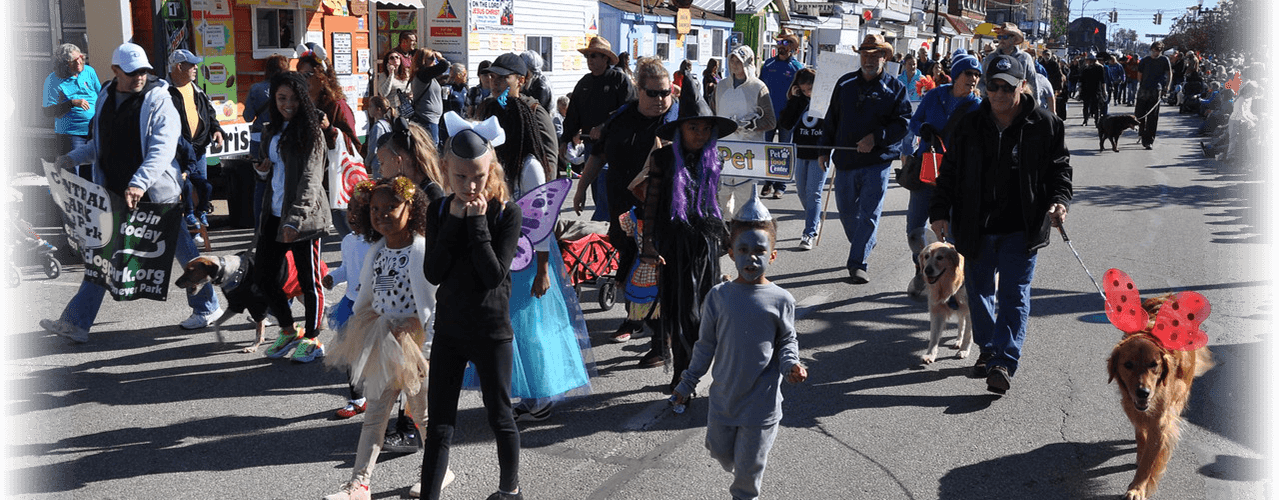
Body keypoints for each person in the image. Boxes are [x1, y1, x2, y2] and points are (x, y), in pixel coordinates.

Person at [40, 42, 223, 343]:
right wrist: (74, 157)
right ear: (115, 71)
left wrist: (139, 182)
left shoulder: (159, 97)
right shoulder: (105, 96)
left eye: (143, 71)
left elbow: (162, 149)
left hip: (156, 194)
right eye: (132, 72)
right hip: (114, 192)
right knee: (102, 256)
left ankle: (207, 307)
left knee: (185, 253)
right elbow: (101, 143)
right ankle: (76, 324)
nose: (139, 77)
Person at [928, 54, 1072, 394]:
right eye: (992, 86)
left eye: (1006, 87)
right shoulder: (969, 123)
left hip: (1022, 226)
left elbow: (1060, 170)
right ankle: (989, 350)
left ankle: (1004, 360)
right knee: (979, 293)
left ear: (1022, 85)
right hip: (975, 224)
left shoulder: (1046, 124)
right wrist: (939, 210)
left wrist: (1060, 201)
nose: (998, 94)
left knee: (1014, 294)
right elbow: (948, 171)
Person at [324, 177, 452, 500]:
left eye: (391, 207)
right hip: (383, 340)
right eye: (375, 209)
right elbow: (366, 296)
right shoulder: (377, 250)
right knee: (374, 416)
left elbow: (434, 302)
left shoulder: (420, 249)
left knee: (422, 414)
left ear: (412, 207)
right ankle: (359, 484)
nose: (381, 214)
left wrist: (427, 344)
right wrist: (360, 330)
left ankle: (440, 469)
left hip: (415, 346)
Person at [670, 200, 807, 500]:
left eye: (759, 251)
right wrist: (687, 383)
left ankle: (745, 490)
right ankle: (739, 462)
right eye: (743, 250)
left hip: (762, 404)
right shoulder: (719, 296)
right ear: (731, 253)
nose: (751, 258)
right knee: (719, 450)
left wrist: (791, 364)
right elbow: (705, 345)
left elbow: (787, 341)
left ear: (772, 255)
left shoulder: (781, 299)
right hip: (723, 401)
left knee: (746, 475)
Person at [421, 125, 524, 500]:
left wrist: (477, 224)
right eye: (461, 177)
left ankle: (509, 490)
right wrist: (453, 220)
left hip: (491, 329)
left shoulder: (506, 213)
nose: (470, 186)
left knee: (500, 415)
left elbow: (493, 275)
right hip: (450, 328)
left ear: (491, 169)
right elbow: (433, 271)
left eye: (478, 176)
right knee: (440, 426)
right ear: (446, 170)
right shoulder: (438, 209)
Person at [571, 56, 677, 351]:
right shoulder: (620, 118)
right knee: (629, 265)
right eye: (653, 93)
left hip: (661, 210)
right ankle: (635, 318)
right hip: (623, 207)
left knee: (658, 266)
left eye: (665, 92)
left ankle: (660, 330)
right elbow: (598, 155)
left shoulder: (679, 121)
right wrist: (581, 188)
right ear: (638, 90)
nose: (660, 99)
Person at [638, 97, 737, 393]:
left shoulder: (714, 158)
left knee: (704, 312)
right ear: (681, 129)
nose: (700, 134)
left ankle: (701, 370)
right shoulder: (663, 159)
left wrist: (728, 239)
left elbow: (715, 207)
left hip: (704, 247)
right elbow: (652, 204)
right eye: (693, 127)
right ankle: (682, 373)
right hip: (673, 247)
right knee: (680, 313)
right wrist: (649, 246)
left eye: (706, 128)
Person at [373, 117, 448, 454]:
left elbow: (432, 250)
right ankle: (409, 427)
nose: (379, 165)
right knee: (401, 364)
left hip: (426, 295)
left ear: (400, 160)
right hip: (404, 294)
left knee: (415, 366)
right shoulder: (401, 193)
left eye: (383, 159)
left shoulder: (430, 194)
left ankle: (417, 433)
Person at [817, 34, 911, 285]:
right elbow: (831, 118)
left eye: (875, 54)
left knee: (869, 214)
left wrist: (876, 137)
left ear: (885, 57)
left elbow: (904, 123)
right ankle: (865, 240)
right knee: (847, 212)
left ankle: (857, 263)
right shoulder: (844, 83)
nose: (869, 59)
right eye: (865, 54)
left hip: (877, 163)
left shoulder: (895, 87)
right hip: (845, 161)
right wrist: (823, 150)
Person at [254, 71, 332, 363]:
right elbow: (268, 170)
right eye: (281, 98)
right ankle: (289, 330)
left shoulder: (311, 131)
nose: (288, 104)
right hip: (274, 213)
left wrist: (294, 221)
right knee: (263, 276)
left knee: (309, 282)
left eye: (294, 97)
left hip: (304, 219)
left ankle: (313, 338)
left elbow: (311, 180)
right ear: (274, 99)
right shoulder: (271, 129)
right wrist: (261, 169)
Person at [903, 55, 982, 300]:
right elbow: (914, 122)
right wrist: (922, 129)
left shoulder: (976, 107)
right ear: (957, 74)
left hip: (955, 175)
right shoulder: (934, 96)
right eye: (968, 73)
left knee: (950, 229)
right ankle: (921, 270)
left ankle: (952, 279)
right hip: (926, 168)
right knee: (915, 227)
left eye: (976, 75)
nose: (973, 79)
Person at [561, 36, 636, 222]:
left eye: (594, 56)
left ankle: (603, 228)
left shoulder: (620, 80)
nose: (590, 60)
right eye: (588, 56)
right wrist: (565, 139)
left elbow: (629, 111)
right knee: (596, 191)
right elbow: (572, 116)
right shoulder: (584, 83)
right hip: (590, 148)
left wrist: (605, 127)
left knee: (605, 195)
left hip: (615, 148)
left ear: (606, 58)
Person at [164, 49, 225, 232]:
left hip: (199, 149)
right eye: (192, 64)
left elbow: (210, 114)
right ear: (180, 66)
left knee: (202, 187)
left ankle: (200, 219)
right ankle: (189, 226)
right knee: (185, 188)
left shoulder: (196, 89)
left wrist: (216, 129)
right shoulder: (164, 91)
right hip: (177, 152)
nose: (196, 68)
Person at [478, 53, 558, 187]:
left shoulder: (533, 112)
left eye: (503, 77)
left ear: (520, 80)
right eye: (492, 76)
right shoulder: (486, 108)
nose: (495, 82)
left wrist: (543, 195)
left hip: (524, 189)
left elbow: (549, 159)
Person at [323, 209, 372, 421]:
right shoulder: (348, 241)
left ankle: (387, 399)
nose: (351, 215)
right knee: (351, 354)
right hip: (350, 305)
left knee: (380, 354)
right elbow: (346, 268)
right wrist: (333, 277)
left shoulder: (379, 242)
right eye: (350, 209)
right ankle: (357, 399)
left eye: (358, 211)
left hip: (374, 307)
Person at [715, 45, 775, 218]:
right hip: (725, 149)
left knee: (744, 198)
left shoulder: (758, 87)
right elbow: (715, 114)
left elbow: (771, 121)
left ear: (748, 63)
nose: (735, 65)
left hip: (748, 151)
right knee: (721, 195)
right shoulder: (721, 86)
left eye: (739, 61)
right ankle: (724, 235)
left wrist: (751, 124)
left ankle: (742, 233)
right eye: (732, 60)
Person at [776, 68, 826, 250]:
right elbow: (786, 123)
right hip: (801, 150)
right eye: (803, 90)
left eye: (810, 89)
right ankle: (814, 216)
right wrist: (795, 100)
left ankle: (809, 233)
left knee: (814, 193)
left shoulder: (825, 100)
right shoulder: (798, 100)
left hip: (820, 152)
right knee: (802, 192)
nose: (807, 93)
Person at [244, 54, 289, 225]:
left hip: (259, 140)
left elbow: (248, 117)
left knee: (261, 184)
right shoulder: (287, 89)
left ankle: (259, 229)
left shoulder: (256, 88)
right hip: (282, 139)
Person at [42, 43, 99, 180]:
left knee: (94, 173)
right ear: (64, 64)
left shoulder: (89, 72)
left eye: (81, 58)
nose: (79, 62)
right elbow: (48, 112)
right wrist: (72, 103)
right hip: (71, 133)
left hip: (93, 131)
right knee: (74, 174)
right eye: (74, 61)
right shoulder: (53, 80)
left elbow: (101, 94)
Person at [758, 32, 804, 200]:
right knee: (767, 149)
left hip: (788, 117)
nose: (782, 47)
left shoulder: (797, 68)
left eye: (787, 44)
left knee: (784, 151)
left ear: (794, 48)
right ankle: (768, 182)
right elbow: (760, 87)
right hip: (768, 114)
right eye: (780, 43)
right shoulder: (768, 64)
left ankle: (781, 185)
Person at [980, 23, 1039, 102]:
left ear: (1014, 39)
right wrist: (990, 91)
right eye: (999, 37)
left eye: (1005, 37)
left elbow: (1033, 83)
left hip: (1018, 105)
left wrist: (1035, 105)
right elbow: (980, 82)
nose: (1001, 40)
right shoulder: (990, 58)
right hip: (994, 104)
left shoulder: (1024, 58)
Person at [1136, 42, 1173, 150]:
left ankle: (1149, 140)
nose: (1154, 52)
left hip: (1156, 90)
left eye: (1156, 50)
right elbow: (1139, 75)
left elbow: (1169, 73)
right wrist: (1142, 84)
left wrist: (1167, 87)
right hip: (1143, 90)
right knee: (1139, 114)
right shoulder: (1144, 60)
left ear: (1160, 51)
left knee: (1152, 116)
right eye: (1153, 49)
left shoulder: (1164, 60)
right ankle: (1142, 133)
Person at [409, 49, 451, 142]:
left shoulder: (427, 76)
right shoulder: (422, 74)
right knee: (432, 146)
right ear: (423, 60)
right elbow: (444, 66)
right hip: (426, 118)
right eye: (431, 58)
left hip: (432, 118)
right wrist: (440, 57)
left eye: (435, 58)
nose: (434, 60)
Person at [364, 95, 396, 178]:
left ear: (378, 109)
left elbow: (372, 149)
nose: (369, 109)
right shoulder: (388, 123)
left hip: (378, 164)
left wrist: (367, 162)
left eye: (371, 106)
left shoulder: (377, 127)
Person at [1078, 53, 1107, 126]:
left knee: (1096, 106)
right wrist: (1080, 90)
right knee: (1086, 106)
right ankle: (1085, 120)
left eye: (1090, 60)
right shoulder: (1085, 68)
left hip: (1096, 89)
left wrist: (1104, 90)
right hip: (1086, 89)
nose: (1089, 62)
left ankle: (1096, 121)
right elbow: (1081, 80)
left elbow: (1103, 80)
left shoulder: (1100, 68)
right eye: (1088, 60)